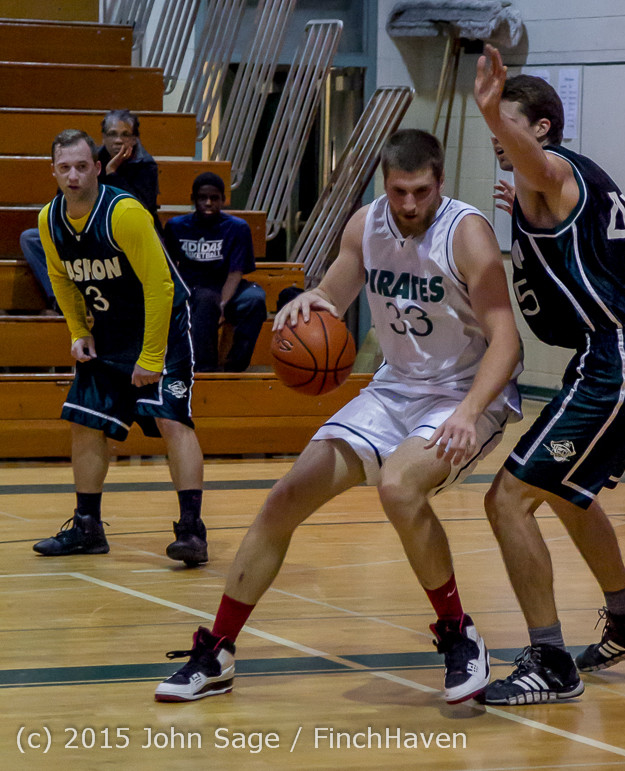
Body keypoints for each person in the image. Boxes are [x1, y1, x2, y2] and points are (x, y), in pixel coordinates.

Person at [154, 129, 523, 704]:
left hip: (461, 394)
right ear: (384, 182)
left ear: (440, 182)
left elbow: (507, 341)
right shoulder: (365, 224)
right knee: (283, 500)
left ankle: (459, 636)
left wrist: (470, 413)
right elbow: (333, 292)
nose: (409, 205)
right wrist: (308, 299)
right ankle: (218, 650)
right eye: (399, 191)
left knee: (399, 488)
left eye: (421, 192)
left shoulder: (467, 233)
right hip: (393, 390)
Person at [473, 45, 625, 705]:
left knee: (506, 498)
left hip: (614, 356)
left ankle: (551, 660)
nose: (496, 135)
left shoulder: (554, 169)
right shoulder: (551, 182)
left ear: (543, 128)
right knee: (563, 492)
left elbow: (537, 166)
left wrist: (490, 111)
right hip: (616, 354)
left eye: (508, 122)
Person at [31, 129, 208, 566]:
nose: (73, 176)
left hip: (161, 325)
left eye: (81, 166)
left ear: (97, 166)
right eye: (64, 168)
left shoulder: (124, 213)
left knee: (172, 421)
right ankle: (87, 527)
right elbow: (61, 278)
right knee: (85, 422)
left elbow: (160, 286)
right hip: (107, 331)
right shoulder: (48, 220)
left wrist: (150, 357)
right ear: (53, 170)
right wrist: (77, 331)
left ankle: (192, 532)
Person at [20, 109, 160, 313]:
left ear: (135, 138)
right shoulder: (88, 159)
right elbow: (63, 199)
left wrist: (112, 173)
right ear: (103, 137)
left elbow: (140, 211)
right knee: (31, 238)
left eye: (125, 134)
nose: (118, 140)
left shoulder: (146, 165)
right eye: (112, 134)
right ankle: (63, 300)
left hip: (119, 235)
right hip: (82, 228)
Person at [163, 173, 267, 372]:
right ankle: (204, 369)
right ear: (193, 199)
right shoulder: (176, 226)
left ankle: (234, 365)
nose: (208, 202)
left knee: (255, 299)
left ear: (223, 200)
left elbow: (236, 272)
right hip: (192, 285)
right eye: (202, 198)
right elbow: (170, 269)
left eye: (214, 198)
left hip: (226, 285)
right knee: (205, 299)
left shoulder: (237, 228)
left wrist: (223, 303)